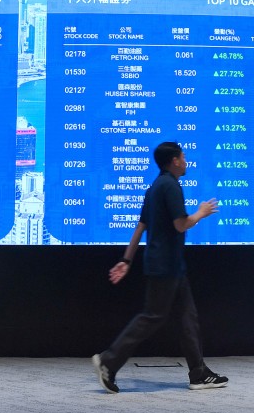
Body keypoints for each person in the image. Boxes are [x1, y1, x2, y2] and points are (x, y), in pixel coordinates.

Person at [92, 141, 229, 393]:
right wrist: (201, 212)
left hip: (169, 265)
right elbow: (181, 224)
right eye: (184, 157)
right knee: (152, 316)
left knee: (188, 319)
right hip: (166, 265)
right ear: (175, 161)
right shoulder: (171, 186)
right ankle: (108, 362)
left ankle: (198, 373)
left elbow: (140, 227)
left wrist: (125, 260)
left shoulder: (154, 187)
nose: (186, 161)